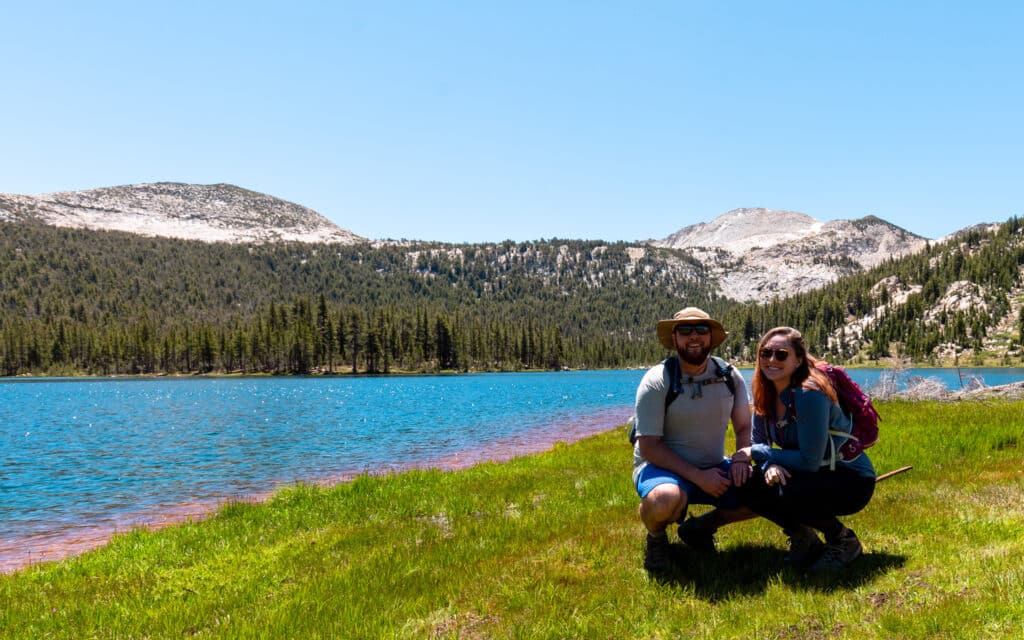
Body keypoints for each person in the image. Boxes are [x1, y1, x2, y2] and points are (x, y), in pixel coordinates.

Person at [736, 326, 876, 572]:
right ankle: (804, 537)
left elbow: (808, 461)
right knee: (745, 481)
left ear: (798, 360)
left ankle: (843, 540)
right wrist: (771, 466)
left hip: (850, 479)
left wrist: (761, 455)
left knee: (787, 489)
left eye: (781, 354)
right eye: (765, 353)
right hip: (811, 473)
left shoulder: (809, 393)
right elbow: (760, 443)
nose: (771, 360)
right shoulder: (764, 391)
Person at [632, 307, 754, 574]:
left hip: (714, 466)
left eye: (701, 329)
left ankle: (700, 528)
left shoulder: (729, 376)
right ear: (674, 339)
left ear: (711, 337)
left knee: (765, 491)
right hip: (661, 469)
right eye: (685, 330)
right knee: (664, 499)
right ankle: (656, 538)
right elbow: (649, 446)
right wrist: (699, 477)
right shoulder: (657, 380)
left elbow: (744, 426)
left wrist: (741, 458)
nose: (694, 336)